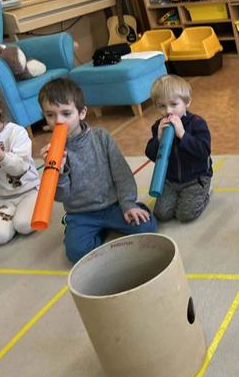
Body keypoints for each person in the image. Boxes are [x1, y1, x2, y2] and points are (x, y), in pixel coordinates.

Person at [38, 78, 156, 263]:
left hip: (113, 206)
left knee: (146, 227)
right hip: (81, 214)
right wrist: (58, 174)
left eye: (66, 113)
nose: (58, 121)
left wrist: (128, 204)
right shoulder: (53, 151)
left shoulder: (101, 138)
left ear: (82, 113)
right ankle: (92, 231)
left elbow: (122, 175)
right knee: (76, 253)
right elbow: (61, 196)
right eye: (50, 115)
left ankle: (111, 223)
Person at [145, 75, 212, 222]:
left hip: (195, 179)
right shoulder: (159, 126)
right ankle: (178, 196)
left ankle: (205, 193)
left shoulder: (197, 123)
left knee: (185, 215)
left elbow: (203, 151)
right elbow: (151, 155)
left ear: (187, 102)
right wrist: (158, 139)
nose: (168, 111)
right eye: (161, 106)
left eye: (174, 104)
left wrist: (182, 134)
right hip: (171, 180)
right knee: (161, 214)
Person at [0, 79, 39, 245]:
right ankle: (9, 216)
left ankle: (36, 201)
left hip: (28, 190)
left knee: (24, 225)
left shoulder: (16, 132)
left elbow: (19, 168)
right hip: (2, 198)